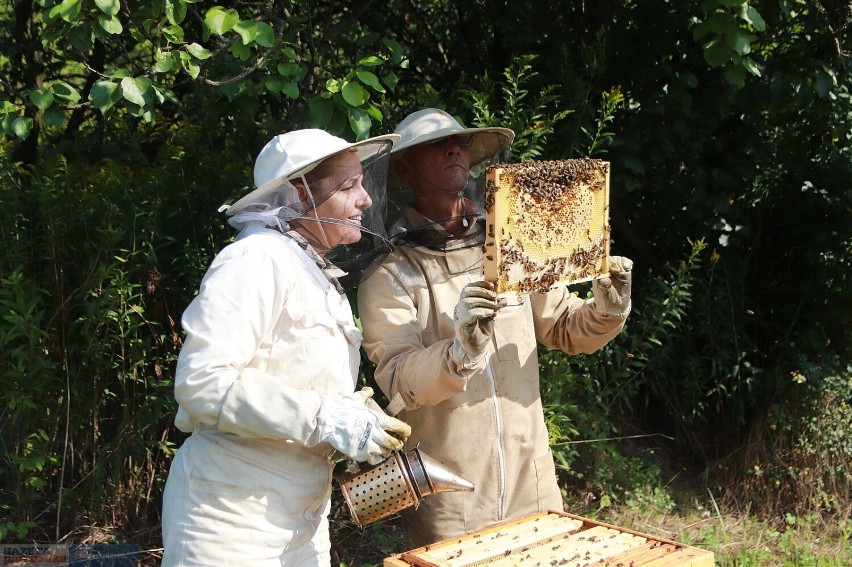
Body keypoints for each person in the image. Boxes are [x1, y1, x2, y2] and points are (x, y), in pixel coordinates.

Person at [357, 108, 634, 548]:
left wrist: (608, 308)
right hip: (451, 494)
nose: (453, 148)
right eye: (437, 143)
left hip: (533, 479)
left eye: (461, 142)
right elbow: (396, 377)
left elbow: (563, 324)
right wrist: (459, 353)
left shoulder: (510, 243)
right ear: (405, 168)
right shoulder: (391, 273)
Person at [161, 129, 411, 566]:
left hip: (303, 516)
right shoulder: (255, 259)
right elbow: (202, 383)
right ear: (298, 195)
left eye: (361, 183)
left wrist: (352, 414)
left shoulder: (316, 273)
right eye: (348, 186)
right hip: (231, 519)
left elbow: (292, 376)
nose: (366, 199)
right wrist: (326, 417)